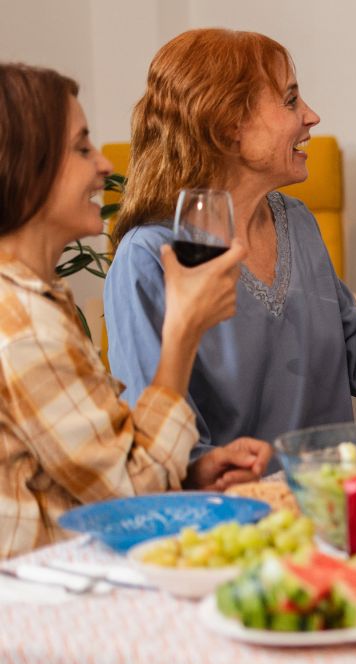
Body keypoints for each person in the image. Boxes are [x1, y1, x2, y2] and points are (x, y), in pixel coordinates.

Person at [104, 29, 356, 457]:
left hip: (331, 495)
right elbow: (153, 444)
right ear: (229, 123)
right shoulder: (148, 258)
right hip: (238, 514)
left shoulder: (297, 221)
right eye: (290, 101)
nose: (311, 115)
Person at [0, 62, 269, 560]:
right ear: (26, 168)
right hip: (40, 605)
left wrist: (188, 471)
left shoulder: (37, 301)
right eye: (82, 148)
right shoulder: (24, 325)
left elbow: (100, 464)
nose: (103, 165)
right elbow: (133, 496)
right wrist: (183, 332)